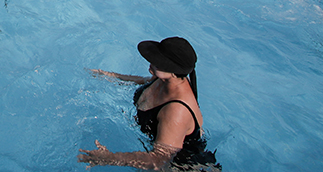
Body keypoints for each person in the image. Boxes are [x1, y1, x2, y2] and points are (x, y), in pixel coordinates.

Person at [79, 37, 218, 170]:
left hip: (181, 166)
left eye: (158, 62)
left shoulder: (176, 111)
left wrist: (108, 158)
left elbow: (159, 161)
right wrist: (108, 75)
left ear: (173, 71)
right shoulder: (168, 79)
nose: (150, 63)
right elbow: (143, 81)